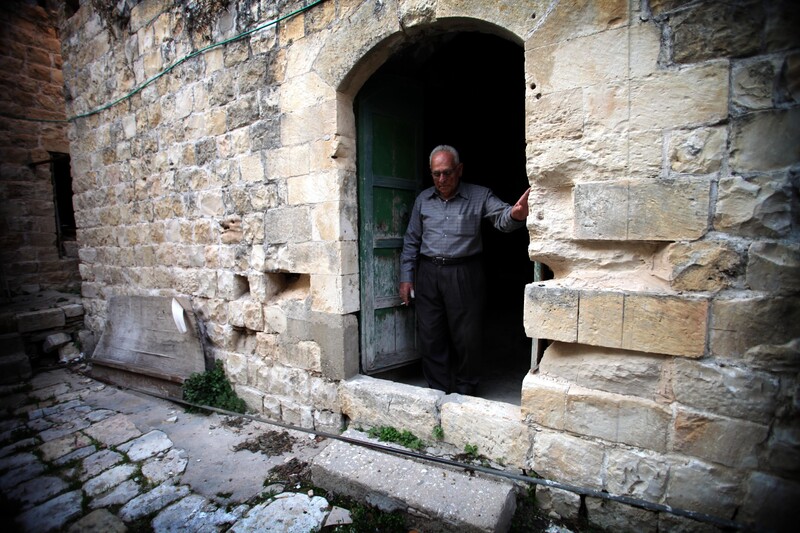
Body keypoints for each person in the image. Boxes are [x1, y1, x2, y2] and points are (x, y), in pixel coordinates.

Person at [399, 145, 530, 395]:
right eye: (436, 174)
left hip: (464, 273)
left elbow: (503, 219)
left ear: (459, 170)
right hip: (428, 273)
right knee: (430, 334)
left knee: (467, 336)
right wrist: (406, 277)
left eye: (447, 172)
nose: (442, 179)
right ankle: (437, 389)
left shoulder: (479, 195)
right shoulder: (423, 200)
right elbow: (411, 241)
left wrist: (516, 215)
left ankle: (465, 389)